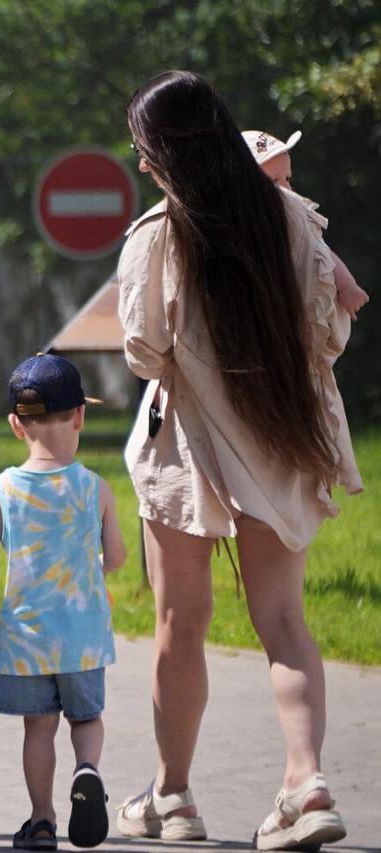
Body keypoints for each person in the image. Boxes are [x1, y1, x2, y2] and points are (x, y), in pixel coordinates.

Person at [116, 70, 360, 851]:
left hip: (186, 445)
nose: (141, 163)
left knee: (178, 624)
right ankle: (306, 781)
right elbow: (329, 335)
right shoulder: (289, 215)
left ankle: (175, 796)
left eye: (143, 149)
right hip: (283, 439)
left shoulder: (158, 233)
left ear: (163, 151)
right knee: (285, 621)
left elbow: (144, 348)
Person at [0, 354, 124, 851]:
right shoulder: (96, 488)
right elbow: (116, 558)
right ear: (80, 416)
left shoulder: (6, 487)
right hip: (82, 637)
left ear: (16, 425)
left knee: (38, 729)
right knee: (86, 719)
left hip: (27, 638)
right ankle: (88, 769)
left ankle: (41, 820)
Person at [241, 129, 369, 319]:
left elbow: (322, 251)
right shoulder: (238, 220)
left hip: (296, 305)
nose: (286, 187)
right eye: (274, 180)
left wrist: (347, 286)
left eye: (287, 178)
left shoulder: (294, 214)